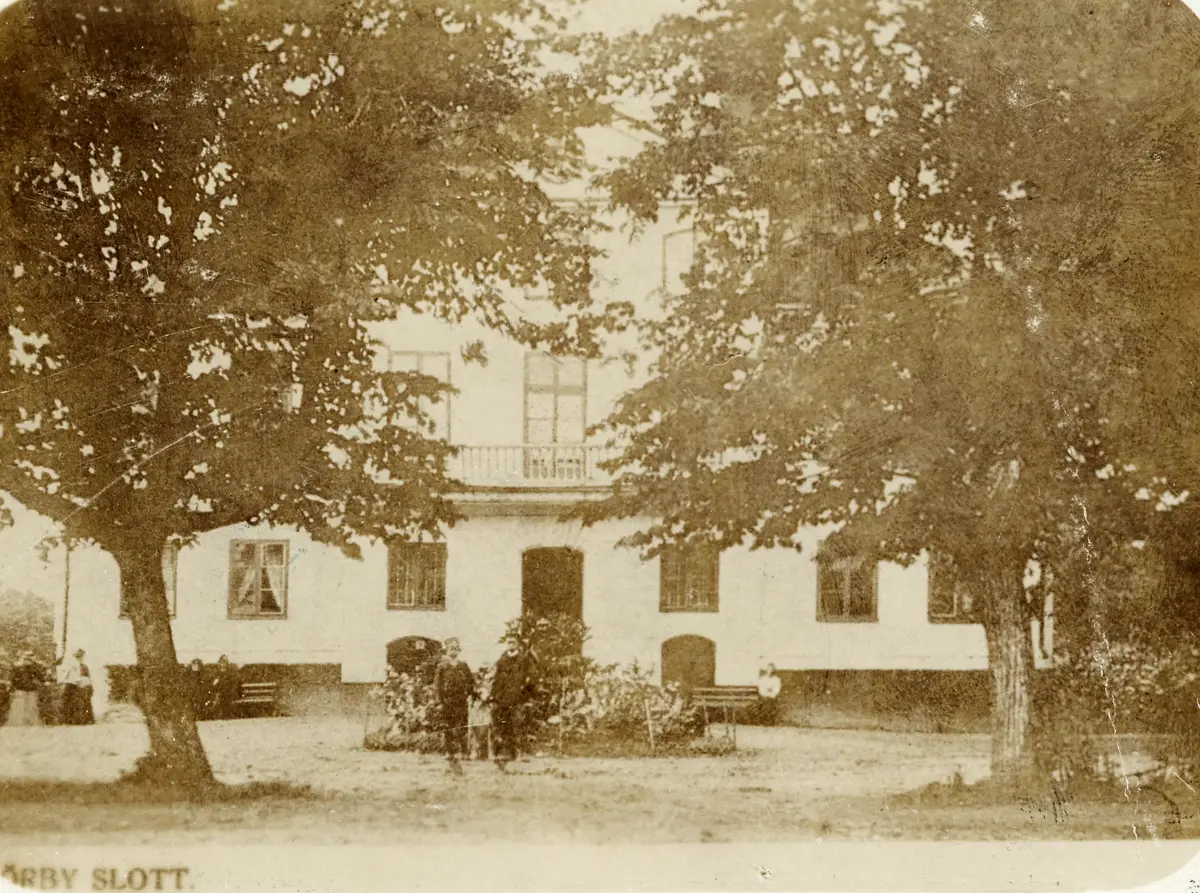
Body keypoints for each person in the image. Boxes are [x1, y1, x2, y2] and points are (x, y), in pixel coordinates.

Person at [432, 638, 474, 774]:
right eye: (451, 648)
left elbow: (471, 682)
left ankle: (463, 752)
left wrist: (469, 694)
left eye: (456, 648)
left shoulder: (463, 666)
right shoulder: (442, 666)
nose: (453, 651)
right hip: (447, 701)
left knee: (462, 726)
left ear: (459, 650)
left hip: (461, 701)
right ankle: (450, 753)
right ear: (447, 650)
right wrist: (439, 701)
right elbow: (437, 685)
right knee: (448, 728)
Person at [489, 643, 528, 771]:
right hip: (502, 698)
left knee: (517, 725)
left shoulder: (523, 660)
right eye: (509, 642)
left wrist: (524, 691)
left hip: (517, 698)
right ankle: (500, 753)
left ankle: (518, 753)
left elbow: (530, 677)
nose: (511, 644)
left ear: (517, 644)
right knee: (501, 726)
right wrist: (494, 696)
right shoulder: (502, 660)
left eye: (513, 642)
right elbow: (496, 679)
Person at [7, 652, 44, 726]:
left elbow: (41, 678)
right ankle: (19, 722)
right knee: (20, 707)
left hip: (31, 690)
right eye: (26, 658)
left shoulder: (35, 668)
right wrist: (11, 686)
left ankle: (30, 722)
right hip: (20, 690)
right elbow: (12, 678)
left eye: (29, 658)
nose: (28, 660)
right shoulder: (18, 667)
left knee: (31, 707)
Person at [59, 648, 95, 726]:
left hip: (81, 686)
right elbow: (67, 675)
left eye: (81, 657)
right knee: (72, 703)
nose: (80, 659)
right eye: (79, 657)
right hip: (74, 685)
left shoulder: (84, 666)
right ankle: (71, 720)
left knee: (81, 703)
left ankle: (82, 720)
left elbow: (87, 677)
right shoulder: (73, 665)